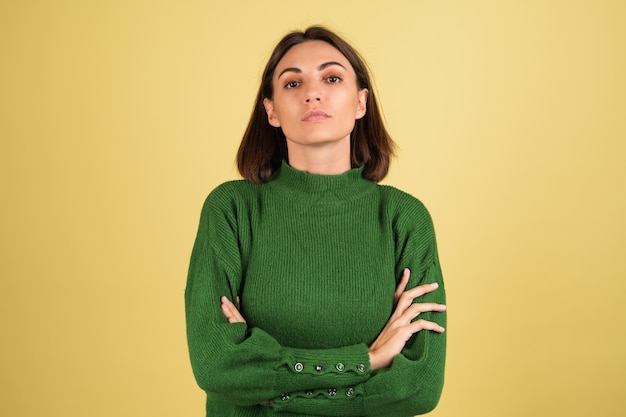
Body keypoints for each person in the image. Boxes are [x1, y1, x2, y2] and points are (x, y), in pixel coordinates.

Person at [185, 25, 447, 417]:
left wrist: (272, 390)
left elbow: (419, 389)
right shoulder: (231, 209)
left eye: (332, 77)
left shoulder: (403, 219)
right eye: (292, 84)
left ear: (361, 103)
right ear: (271, 110)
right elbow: (216, 367)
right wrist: (367, 361)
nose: (312, 93)